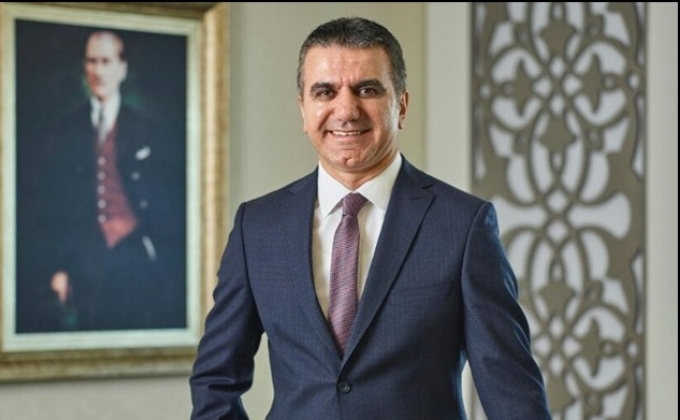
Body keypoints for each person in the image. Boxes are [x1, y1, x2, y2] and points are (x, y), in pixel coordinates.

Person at [189, 17, 552, 419]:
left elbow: (513, 395)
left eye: (367, 89)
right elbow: (215, 381)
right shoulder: (257, 227)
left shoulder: (463, 226)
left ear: (402, 105)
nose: (346, 110)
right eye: (325, 92)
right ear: (303, 109)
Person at [16, 30, 187, 332]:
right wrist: (58, 268)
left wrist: (158, 254)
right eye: (91, 61)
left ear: (122, 68)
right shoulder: (64, 130)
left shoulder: (148, 129)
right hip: (83, 256)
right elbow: (51, 205)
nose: (98, 70)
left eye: (106, 61)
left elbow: (169, 204)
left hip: (135, 252)